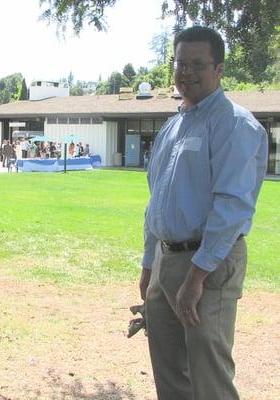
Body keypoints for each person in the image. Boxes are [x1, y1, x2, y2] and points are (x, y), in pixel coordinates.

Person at [139, 26, 267, 400]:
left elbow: (232, 206)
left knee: (208, 373)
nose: (187, 72)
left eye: (198, 63)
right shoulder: (173, 126)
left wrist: (196, 277)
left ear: (219, 69)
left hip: (208, 262)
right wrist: (149, 267)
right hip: (166, 260)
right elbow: (156, 202)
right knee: (168, 370)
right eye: (181, 63)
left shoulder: (235, 125)